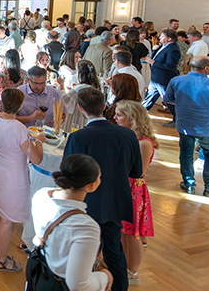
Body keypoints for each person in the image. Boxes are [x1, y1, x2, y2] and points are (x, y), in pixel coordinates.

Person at [63, 86, 143, 291]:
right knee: (114, 251)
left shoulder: (78, 137)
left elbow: (69, 175)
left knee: (83, 252)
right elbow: (136, 172)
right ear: (105, 106)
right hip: (116, 200)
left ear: (80, 108)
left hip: (87, 203)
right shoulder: (128, 134)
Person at [0, 88, 45, 272]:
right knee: (6, 219)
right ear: (19, 106)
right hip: (11, 177)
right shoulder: (19, 128)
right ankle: (1, 260)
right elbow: (36, 159)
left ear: (2, 102)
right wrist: (39, 141)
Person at [30, 154, 112, 291]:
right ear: (91, 186)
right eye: (99, 177)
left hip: (40, 274)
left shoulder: (41, 194)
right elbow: (78, 285)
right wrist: (105, 278)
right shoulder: (86, 227)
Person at [113, 100, 157, 286]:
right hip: (124, 186)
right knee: (123, 231)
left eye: (119, 115)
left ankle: (133, 271)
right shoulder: (130, 137)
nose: (115, 118)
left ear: (132, 118)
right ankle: (123, 265)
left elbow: (139, 171)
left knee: (132, 234)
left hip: (133, 189)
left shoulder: (143, 143)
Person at [163, 57, 209, 197]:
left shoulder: (176, 80)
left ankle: (189, 184)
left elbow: (168, 99)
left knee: (186, 153)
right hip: (208, 127)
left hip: (185, 125)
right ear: (207, 68)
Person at [142, 29, 181, 128]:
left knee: (169, 100)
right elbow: (155, 59)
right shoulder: (164, 46)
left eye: (162, 36)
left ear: (169, 39)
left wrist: (153, 63)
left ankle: (177, 120)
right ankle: (139, 115)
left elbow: (170, 66)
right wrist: (155, 50)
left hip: (164, 79)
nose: (159, 38)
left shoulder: (173, 49)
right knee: (149, 98)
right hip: (156, 78)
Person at [0, 50, 27, 121]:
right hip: (19, 101)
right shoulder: (24, 73)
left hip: (5, 100)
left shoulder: (0, 73)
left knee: (2, 121)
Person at [62, 60, 101, 132]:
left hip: (78, 116)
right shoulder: (97, 86)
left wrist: (61, 86)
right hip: (91, 115)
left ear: (79, 74)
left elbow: (65, 99)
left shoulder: (79, 88)